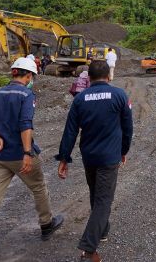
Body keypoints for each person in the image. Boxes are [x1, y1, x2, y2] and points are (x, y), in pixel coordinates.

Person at [0, 57, 64, 260]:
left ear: (14, 72)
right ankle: (47, 224)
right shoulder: (26, 94)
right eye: (32, 76)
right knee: (38, 187)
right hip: (19, 155)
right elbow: (25, 124)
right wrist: (26, 153)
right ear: (29, 75)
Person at [56, 60, 133, 262]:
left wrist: (64, 157)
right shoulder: (119, 95)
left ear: (88, 78)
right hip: (109, 157)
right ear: (108, 76)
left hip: (89, 156)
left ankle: (103, 230)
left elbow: (70, 131)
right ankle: (88, 249)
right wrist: (123, 150)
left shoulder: (80, 99)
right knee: (103, 200)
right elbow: (128, 128)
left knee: (96, 194)